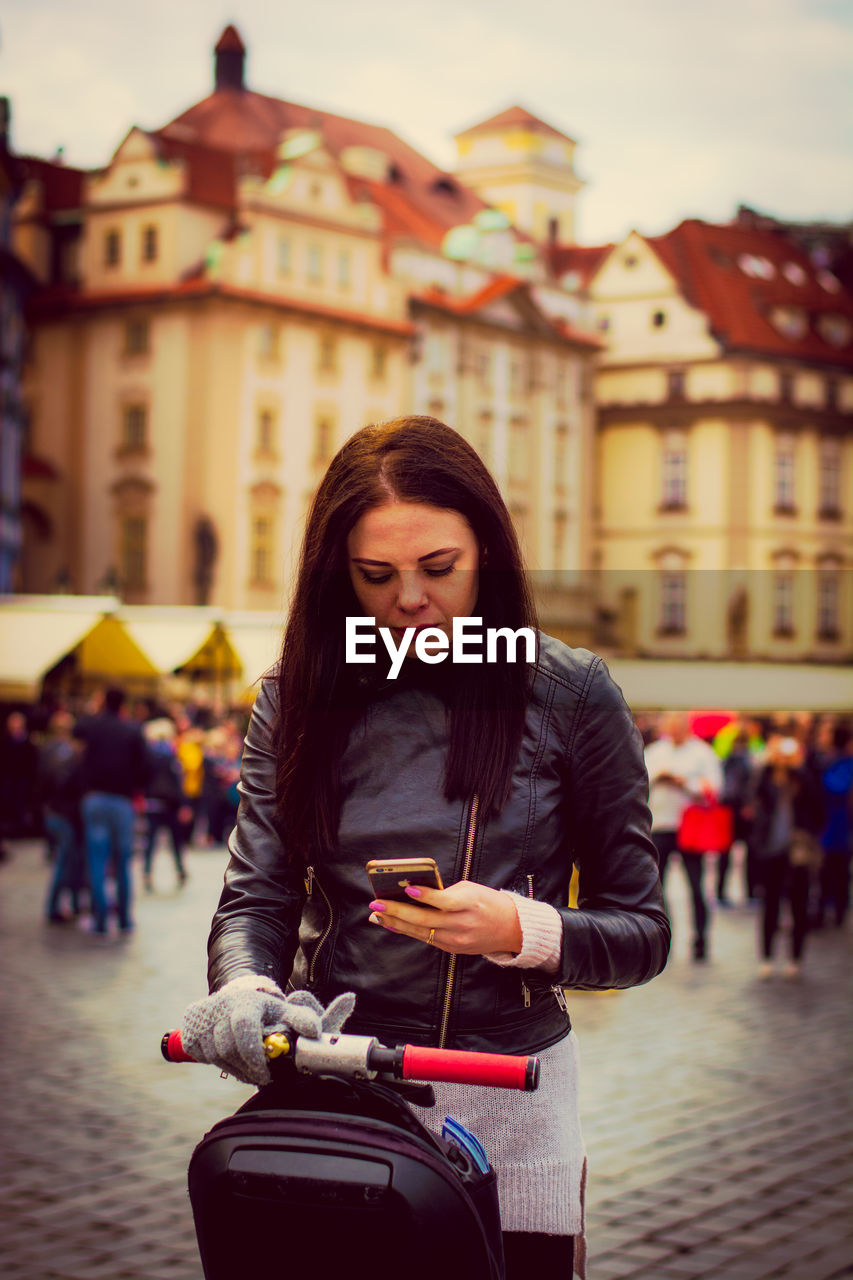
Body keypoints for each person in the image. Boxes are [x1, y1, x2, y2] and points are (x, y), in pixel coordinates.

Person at [181, 416, 670, 1276]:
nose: (409, 600)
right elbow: (256, 895)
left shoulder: (573, 693)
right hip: (337, 1082)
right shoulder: (298, 696)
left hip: (513, 1100)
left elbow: (641, 933)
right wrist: (249, 990)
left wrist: (524, 931)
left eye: (439, 569)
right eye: (377, 576)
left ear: (490, 552)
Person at [644, 711, 723, 961]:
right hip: (661, 825)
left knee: (696, 886)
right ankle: (664, 939)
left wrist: (684, 782)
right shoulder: (655, 751)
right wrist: (659, 777)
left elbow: (714, 788)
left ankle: (701, 939)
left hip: (691, 828)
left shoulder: (702, 753)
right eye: (671, 726)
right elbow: (638, 781)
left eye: (678, 726)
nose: (674, 730)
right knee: (658, 889)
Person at [74, 685, 149, 934]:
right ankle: (125, 918)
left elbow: (76, 730)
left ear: (103, 702)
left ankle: (100, 919)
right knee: (123, 861)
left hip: (94, 799)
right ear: (123, 704)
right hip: (122, 802)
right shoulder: (132, 730)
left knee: (97, 860)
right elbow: (146, 767)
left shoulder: (93, 726)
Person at [751, 734, 823, 977]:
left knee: (799, 905)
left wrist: (798, 771)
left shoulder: (803, 777)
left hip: (797, 851)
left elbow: (817, 809)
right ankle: (767, 957)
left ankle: (796, 958)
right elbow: (752, 803)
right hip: (770, 850)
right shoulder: (764, 777)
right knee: (770, 904)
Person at [39, 709, 87, 922]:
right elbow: (61, 782)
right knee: (64, 861)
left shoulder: (47, 749)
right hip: (63, 813)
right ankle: (54, 907)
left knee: (69, 860)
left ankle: (73, 904)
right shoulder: (65, 752)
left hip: (53, 811)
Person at [141, 718, 191, 890]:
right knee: (175, 841)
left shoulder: (147, 755)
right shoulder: (172, 755)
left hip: (152, 802)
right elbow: (179, 782)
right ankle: (180, 870)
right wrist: (184, 804)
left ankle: (147, 873)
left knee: (150, 841)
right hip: (171, 803)